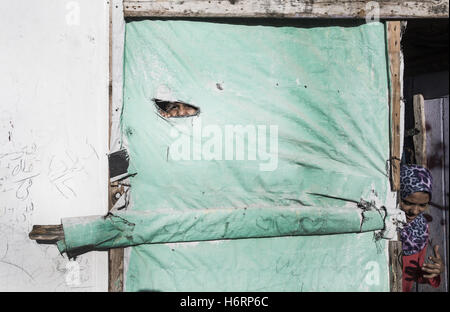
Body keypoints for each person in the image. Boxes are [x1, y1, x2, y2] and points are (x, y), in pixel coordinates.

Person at [399, 164, 444, 292]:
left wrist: (434, 271)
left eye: (422, 205)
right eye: (407, 202)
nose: (414, 211)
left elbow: (415, 274)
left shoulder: (421, 231)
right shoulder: (381, 226)